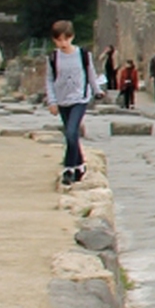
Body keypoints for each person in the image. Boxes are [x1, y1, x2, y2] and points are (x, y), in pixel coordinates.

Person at [44, 20, 102, 188]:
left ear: (72, 37)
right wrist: (52, 101)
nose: (63, 43)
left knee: (71, 132)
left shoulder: (83, 55)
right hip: (62, 100)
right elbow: (49, 80)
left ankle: (68, 168)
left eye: (66, 39)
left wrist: (97, 90)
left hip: (80, 99)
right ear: (54, 40)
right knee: (72, 135)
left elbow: (90, 74)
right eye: (59, 40)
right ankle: (80, 165)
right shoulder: (53, 58)